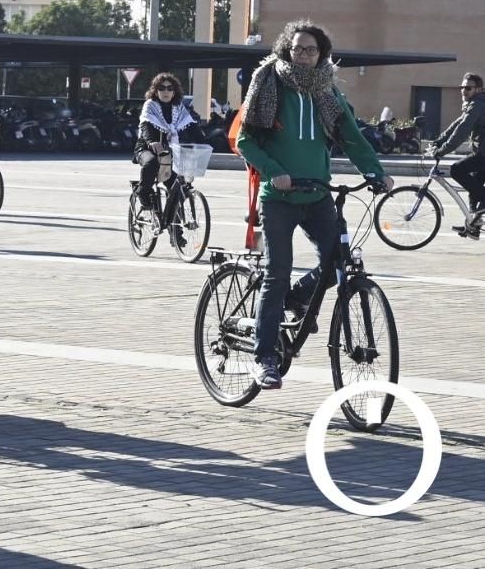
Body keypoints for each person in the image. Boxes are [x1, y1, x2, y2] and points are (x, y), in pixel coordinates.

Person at [236, 20, 392, 391]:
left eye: (311, 50)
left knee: (336, 261)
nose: (304, 55)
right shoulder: (269, 84)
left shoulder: (328, 93)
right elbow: (245, 140)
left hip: (318, 195)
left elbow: (352, 139)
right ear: (286, 49)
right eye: (298, 48)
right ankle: (264, 358)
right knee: (278, 270)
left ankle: (296, 298)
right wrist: (274, 171)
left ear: (323, 54)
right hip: (280, 199)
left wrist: (375, 172)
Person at [133, 73, 199, 211]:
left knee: (176, 188)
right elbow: (145, 126)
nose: (166, 91)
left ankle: (176, 228)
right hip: (146, 147)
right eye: (162, 88)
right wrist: (151, 141)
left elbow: (191, 125)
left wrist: (206, 142)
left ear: (174, 92)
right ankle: (142, 192)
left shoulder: (178, 107)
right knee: (151, 163)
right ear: (156, 91)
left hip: (168, 150)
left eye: (170, 88)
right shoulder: (150, 105)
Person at [430, 72, 485, 237]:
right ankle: (473, 227)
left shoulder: (478, 104)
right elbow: (457, 124)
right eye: (462, 87)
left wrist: (442, 151)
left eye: (468, 88)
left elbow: (462, 131)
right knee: (474, 187)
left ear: (479, 89)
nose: (463, 90)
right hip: (482, 151)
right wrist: (438, 142)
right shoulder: (473, 103)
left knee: (456, 170)